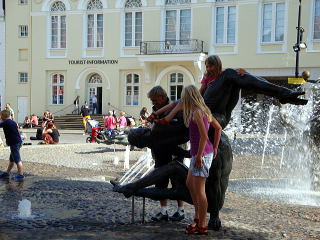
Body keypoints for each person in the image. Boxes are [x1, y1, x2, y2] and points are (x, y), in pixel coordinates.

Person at [112, 59, 308, 230]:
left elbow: (181, 111)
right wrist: (193, 150)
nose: (208, 69)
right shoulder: (189, 111)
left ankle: (201, 220)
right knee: (193, 186)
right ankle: (200, 218)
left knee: (196, 186)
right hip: (207, 132)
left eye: (210, 65)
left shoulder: (196, 107)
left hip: (210, 129)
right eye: (207, 66)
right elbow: (179, 111)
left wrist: (194, 150)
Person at [181, 85, 222, 235]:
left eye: (184, 96)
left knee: (199, 190)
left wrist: (199, 156)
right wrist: (215, 147)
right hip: (200, 153)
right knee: (189, 184)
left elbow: (205, 136)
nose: (182, 99)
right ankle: (198, 218)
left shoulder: (198, 112)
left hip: (202, 155)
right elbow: (218, 128)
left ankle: (202, 224)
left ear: (189, 97)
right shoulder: (203, 110)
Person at [147, 86, 188, 222]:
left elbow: (181, 127)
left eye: (155, 100)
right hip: (160, 150)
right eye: (152, 101)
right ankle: (163, 211)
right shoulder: (155, 110)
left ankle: (180, 211)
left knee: (177, 180)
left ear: (162, 97)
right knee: (160, 180)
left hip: (175, 150)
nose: (153, 103)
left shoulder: (176, 107)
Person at [0, 110, 24, 179]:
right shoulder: (13, 122)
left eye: (1, 115)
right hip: (17, 142)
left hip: (14, 143)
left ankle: (21, 174)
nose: (0, 117)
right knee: (12, 159)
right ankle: (7, 173)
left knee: (17, 159)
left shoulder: (6, 122)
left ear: (3, 116)